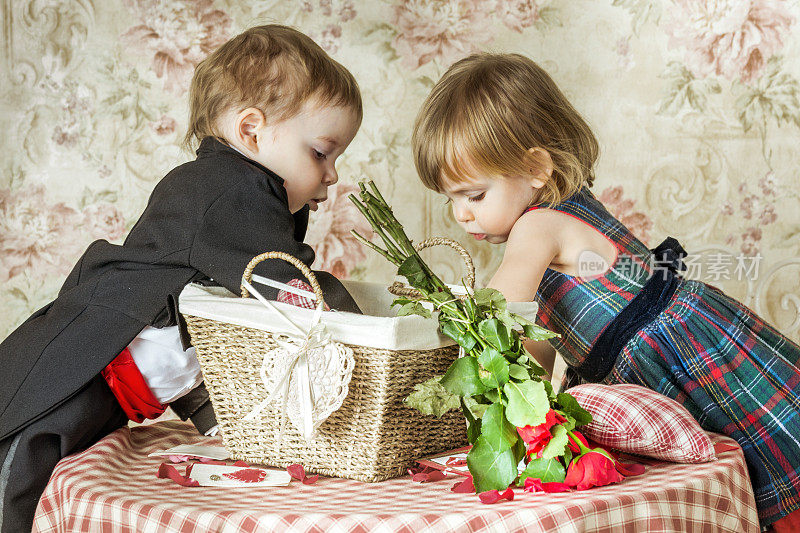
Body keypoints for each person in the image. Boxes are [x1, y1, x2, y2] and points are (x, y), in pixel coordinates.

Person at [411, 52, 800, 531]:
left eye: (474, 196)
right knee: (762, 458)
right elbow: (536, 340)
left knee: (768, 461)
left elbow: (500, 317)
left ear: (536, 167)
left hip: (675, 350)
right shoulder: (564, 211)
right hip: (677, 339)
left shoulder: (536, 227)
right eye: (451, 199)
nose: (462, 216)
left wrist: (455, 337)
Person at [0, 24, 362, 531]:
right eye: (321, 152)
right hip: (72, 371)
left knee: (59, 479)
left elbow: (200, 338)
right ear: (251, 131)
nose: (331, 174)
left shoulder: (244, 208)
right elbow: (286, 287)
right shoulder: (227, 190)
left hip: (114, 393)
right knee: (18, 484)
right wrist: (371, 323)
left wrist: (231, 431)